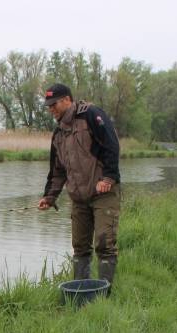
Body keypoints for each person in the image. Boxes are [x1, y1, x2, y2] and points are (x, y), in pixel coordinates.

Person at [37, 83, 122, 290]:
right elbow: (57, 171)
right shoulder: (58, 134)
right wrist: (50, 197)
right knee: (80, 248)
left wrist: (108, 178)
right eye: (48, 106)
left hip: (103, 193)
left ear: (67, 100)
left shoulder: (91, 115)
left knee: (104, 243)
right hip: (78, 198)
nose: (51, 109)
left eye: (54, 104)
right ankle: (81, 290)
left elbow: (112, 145)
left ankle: (105, 292)